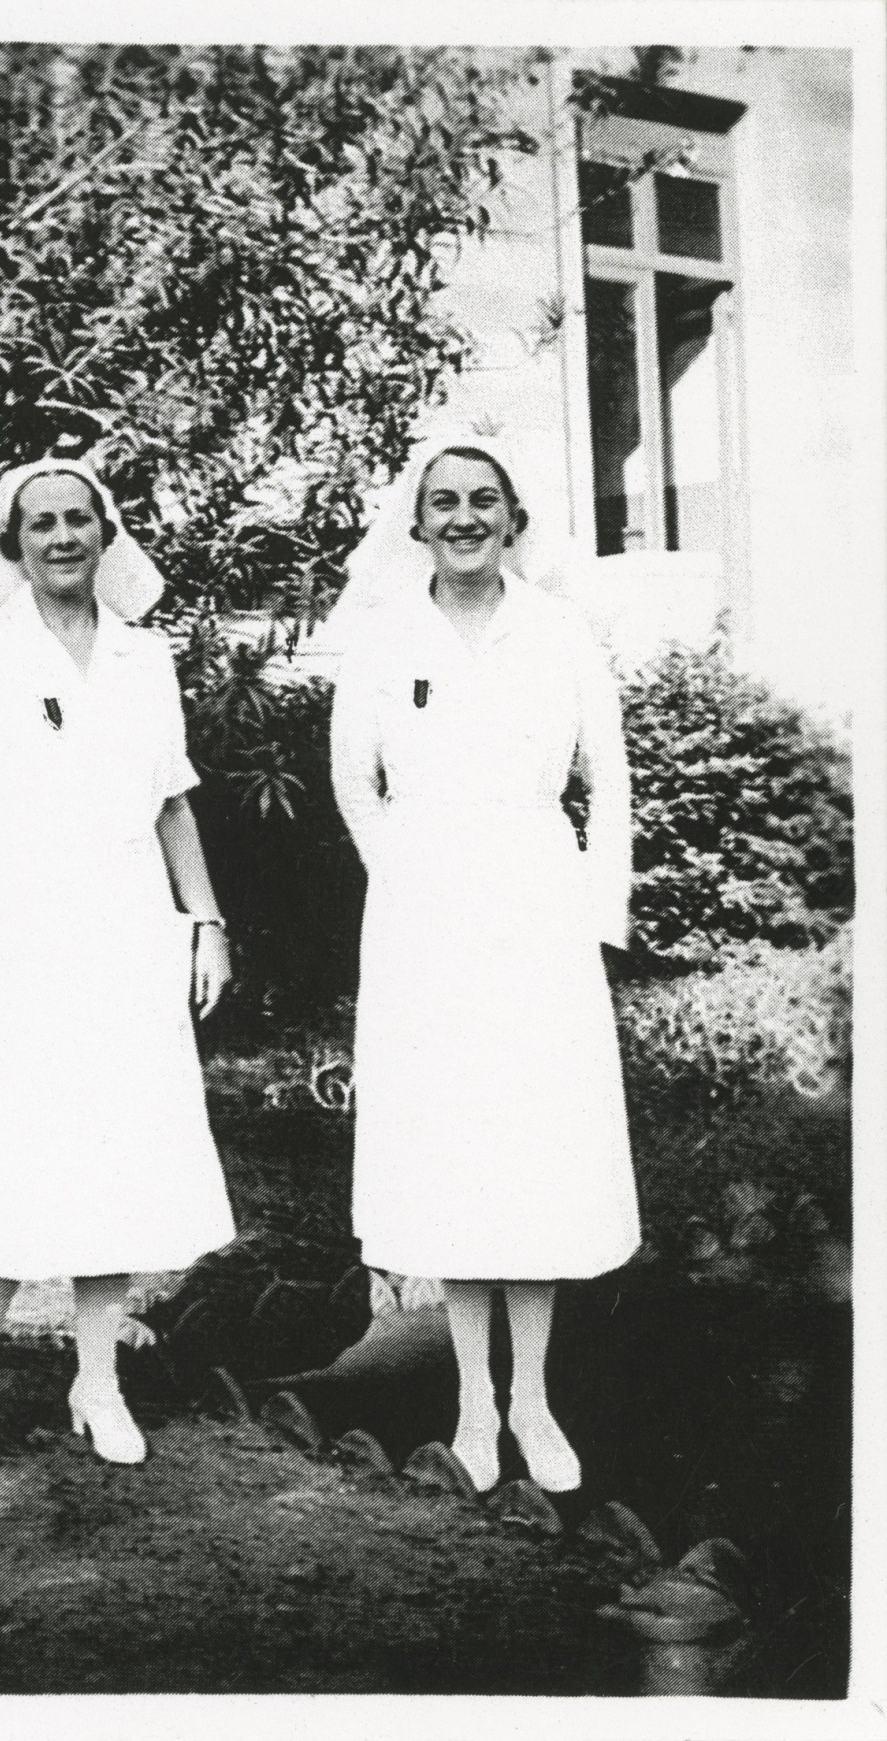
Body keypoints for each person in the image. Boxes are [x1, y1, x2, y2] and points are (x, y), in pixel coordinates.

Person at [0, 453, 237, 1471]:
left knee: (117, 1149)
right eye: (42, 523)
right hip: (18, 928)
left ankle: (97, 1380)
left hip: (128, 924)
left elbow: (172, 802)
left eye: (81, 518)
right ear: (14, 544)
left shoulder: (144, 655)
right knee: (10, 1159)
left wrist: (205, 921)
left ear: (105, 533)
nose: (64, 537)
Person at [329, 427, 640, 1494]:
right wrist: (406, 883)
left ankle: (534, 1400)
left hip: (538, 909)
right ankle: (472, 1399)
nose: (463, 518)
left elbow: (611, 781)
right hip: (426, 921)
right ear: (416, 525)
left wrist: (596, 915)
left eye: (483, 501)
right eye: (444, 502)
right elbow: (354, 784)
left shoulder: (559, 632)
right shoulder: (379, 638)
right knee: (455, 1146)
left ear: (514, 519)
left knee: (535, 1145)